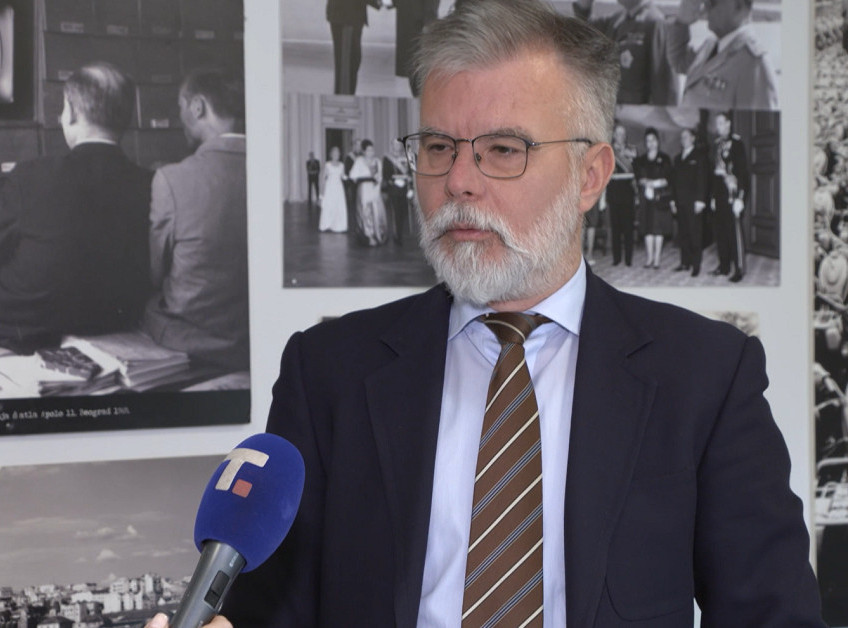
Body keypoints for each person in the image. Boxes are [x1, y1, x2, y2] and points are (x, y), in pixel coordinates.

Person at [146, 1, 824, 626]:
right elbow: (272, 613)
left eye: (503, 149)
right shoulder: (327, 374)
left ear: (591, 176)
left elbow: (774, 616)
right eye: (438, 147)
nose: (459, 181)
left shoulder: (705, 375)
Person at [0, 62, 151, 353]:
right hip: (113, 324)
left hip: (25, 331)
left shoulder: (29, 176)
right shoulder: (151, 183)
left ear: (70, 113)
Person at [141, 68, 249, 371]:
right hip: (253, 337)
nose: (179, 118)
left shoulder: (170, 178)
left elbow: (156, 273)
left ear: (198, 107)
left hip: (193, 340)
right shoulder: (272, 167)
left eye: (181, 107)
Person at [668, 0, 779, 110]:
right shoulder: (711, 45)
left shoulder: (755, 63)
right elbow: (678, 61)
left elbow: (758, 120)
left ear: (738, 6)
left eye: (712, 3)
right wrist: (681, 21)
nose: (705, 8)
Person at [572, 0, 678, 105]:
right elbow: (585, 28)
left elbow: (663, 84)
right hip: (614, 109)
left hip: (638, 112)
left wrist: (659, 113)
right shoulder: (617, 20)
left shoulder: (655, 22)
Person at [710, 110, 749, 283]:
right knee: (721, 231)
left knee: (734, 232)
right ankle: (724, 265)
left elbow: (743, 173)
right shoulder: (716, 144)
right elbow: (715, 175)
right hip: (719, 194)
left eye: (721, 123)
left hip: (732, 194)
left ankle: (739, 268)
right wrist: (713, 197)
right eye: (716, 124)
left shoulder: (737, 143)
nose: (718, 127)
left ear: (728, 124)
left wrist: (740, 198)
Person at [670, 126, 710, 277]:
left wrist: (700, 200)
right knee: (683, 234)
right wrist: (673, 201)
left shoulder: (700, 157)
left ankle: (696, 265)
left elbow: (703, 180)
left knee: (695, 234)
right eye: (682, 137)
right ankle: (684, 263)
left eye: (686, 136)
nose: (683, 139)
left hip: (694, 203)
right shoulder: (677, 159)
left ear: (693, 138)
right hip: (680, 202)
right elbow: (673, 182)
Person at [633, 126, 673, 269]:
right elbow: (639, 178)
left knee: (658, 229)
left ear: (657, 141)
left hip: (660, 198)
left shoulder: (665, 158)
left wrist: (652, 184)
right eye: (648, 140)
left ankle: (657, 259)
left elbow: (668, 179)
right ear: (645, 143)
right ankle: (649, 258)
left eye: (653, 140)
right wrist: (648, 184)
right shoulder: (641, 160)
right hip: (645, 198)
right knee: (647, 228)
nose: (651, 143)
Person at [326, 0, 382, 94]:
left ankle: (345, 97)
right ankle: (343, 99)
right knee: (347, 66)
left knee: (351, 62)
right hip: (345, 17)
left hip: (350, 16)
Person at [607, 120, 638, 266]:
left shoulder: (632, 150)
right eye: (618, 133)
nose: (621, 136)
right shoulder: (608, 150)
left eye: (623, 134)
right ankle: (617, 258)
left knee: (628, 227)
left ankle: (628, 259)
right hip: (613, 191)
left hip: (627, 191)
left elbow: (635, 171)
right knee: (616, 228)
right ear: (614, 135)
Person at [350, 138, 388, 246]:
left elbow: (380, 176)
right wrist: (365, 177)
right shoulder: (359, 161)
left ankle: (378, 234)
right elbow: (352, 175)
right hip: (364, 189)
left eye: (372, 150)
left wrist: (378, 181)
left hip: (375, 189)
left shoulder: (377, 161)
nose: (371, 152)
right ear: (364, 151)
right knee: (366, 212)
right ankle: (368, 236)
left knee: (377, 212)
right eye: (368, 150)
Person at [382, 138, 413, 244]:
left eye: (399, 145)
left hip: (404, 188)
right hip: (394, 188)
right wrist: (394, 180)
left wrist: (410, 184)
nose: (397, 147)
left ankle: (400, 232)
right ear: (392, 146)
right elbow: (386, 174)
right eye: (395, 145)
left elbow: (410, 172)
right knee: (395, 212)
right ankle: (397, 235)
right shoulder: (387, 158)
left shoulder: (405, 157)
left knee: (403, 212)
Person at [318, 146, 348, 233]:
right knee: (329, 206)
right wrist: (321, 195)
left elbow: (343, 176)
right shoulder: (327, 165)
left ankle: (338, 226)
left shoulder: (342, 165)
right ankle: (327, 225)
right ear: (331, 154)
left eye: (338, 152)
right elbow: (322, 179)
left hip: (339, 188)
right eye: (334, 153)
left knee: (339, 206)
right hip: (330, 188)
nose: (336, 154)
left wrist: (351, 177)